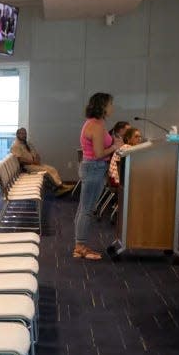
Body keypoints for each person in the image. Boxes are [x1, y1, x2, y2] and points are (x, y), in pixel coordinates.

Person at [74, 92, 122, 260]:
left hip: (93, 168)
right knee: (86, 210)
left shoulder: (97, 123)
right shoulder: (95, 125)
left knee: (84, 209)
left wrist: (113, 144)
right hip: (94, 167)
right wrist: (115, 146)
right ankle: (80, 246)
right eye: (110, 104)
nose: (112, 107)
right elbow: (99, 153)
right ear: (102, 106)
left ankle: (79, 245)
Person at [11, 127, 74, 196]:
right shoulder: (15, 145)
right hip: (27, 167)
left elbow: (35, 153)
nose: (24, 135)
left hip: (34, 164)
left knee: (52, 169)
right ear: (17, 134)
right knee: (47, 171)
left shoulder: (27, 144)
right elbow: (20, 160)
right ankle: (59, 187)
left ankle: (59, 186)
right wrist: (32, 162)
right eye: (22, 134)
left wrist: (37, 159)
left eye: (25, 133)